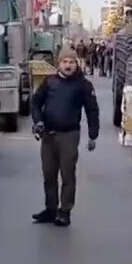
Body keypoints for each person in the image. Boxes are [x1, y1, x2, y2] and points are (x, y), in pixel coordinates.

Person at [31, 45, 100, 226]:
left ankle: (65, 211)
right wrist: (37, 121)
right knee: (49, 174)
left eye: (71, 62)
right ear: (58, 64)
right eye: (64, 62)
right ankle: (51, 209)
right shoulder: (49, 83)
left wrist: (93, 135)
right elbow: (36, 102)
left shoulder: (83, 85)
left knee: (67, 174)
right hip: (48, 135)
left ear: (76, 64)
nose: (68, 65)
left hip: (69, 135)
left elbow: (92, 110)